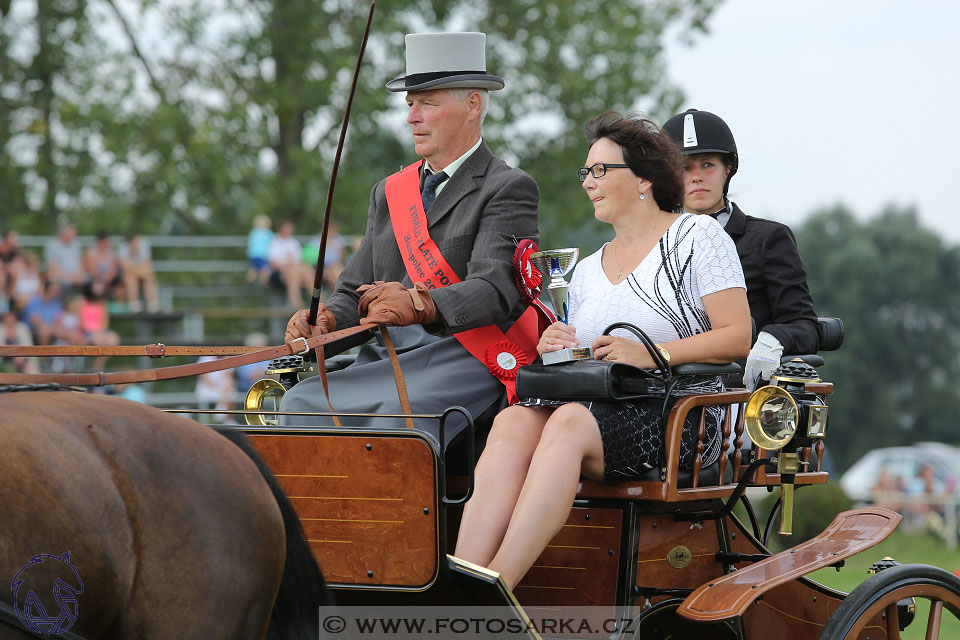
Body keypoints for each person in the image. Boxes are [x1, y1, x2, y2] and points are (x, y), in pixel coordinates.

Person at [453, 112, 751, 590]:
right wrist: (555, 346)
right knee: (512, 419)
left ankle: (496, 589)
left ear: (644, 180)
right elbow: (587, 357)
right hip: (597, 403)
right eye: (585, 173)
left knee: (567, 421)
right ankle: (465, 578)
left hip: (678, 414)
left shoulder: (699, 237)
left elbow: (738, 337)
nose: (588, 183)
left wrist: (653, 353)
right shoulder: (588, 269)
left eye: (600, 171)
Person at [281, 32, 540, 440]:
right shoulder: (389, 192)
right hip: (385, 355)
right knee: (298, 405)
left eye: (427, 104)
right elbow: (353, 292)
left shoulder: (507, 186)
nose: (412, 117)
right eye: (410, 104)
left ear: (473, 105)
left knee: (396, 421)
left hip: (461, 356)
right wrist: (325, 323)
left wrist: (421, 302)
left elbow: (495, 288)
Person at [663, 109, 820, 388]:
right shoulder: (653, 244)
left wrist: (772, 339)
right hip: (666, 390)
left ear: (728, 170)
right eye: (684, 168)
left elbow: (806, 326)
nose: (696, 176)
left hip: (741, 393)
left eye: (708, 165)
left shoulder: (769, 239)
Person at [267, 220, 313, 308]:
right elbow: (273, 263)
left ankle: (317, 303)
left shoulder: (293, 242)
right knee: (292, 272)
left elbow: (300, 260)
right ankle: (298, 305)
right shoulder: (274, 242)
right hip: (281, 272)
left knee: (307, 270)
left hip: (296, 270)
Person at [118, 235, 159, 312]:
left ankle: (152, 305)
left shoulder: (143, 246)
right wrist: (138, 272)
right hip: (130, 276)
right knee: (131, 279)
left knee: (148, 277)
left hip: (140, 274)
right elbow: (125, 267)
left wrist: (137, 272)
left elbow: (146, 264)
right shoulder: (123, 248)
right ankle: (134, 305)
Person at [44, 224, 87, 291]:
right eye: (72, 234)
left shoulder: (76, 244)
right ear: (63, 234)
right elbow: (52, 266)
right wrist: (70, 278)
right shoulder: (52, 245)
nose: (73, 237)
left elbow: (80, 263)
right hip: (61, 278)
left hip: (76, 278)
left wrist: (79, 276)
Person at [246, 214, 273, 284]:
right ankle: (263, 283)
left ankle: (249, 280)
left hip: (252, 254)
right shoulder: (267, 233)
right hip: (261, 254)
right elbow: (275, 238)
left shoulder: (253, 232)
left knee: (254, 269)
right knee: (264, 270)